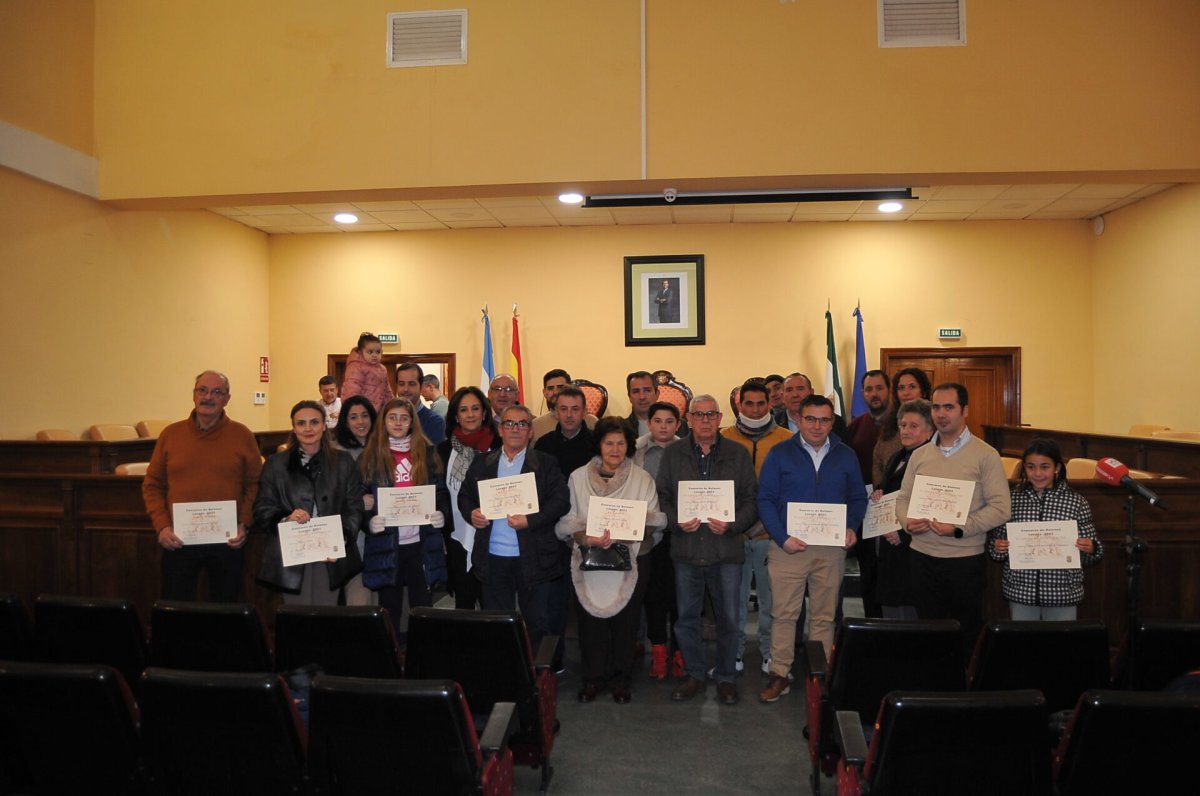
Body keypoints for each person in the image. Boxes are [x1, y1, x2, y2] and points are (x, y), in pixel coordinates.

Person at [757, 395, 866, 703]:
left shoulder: (846, 455)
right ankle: (780, 674)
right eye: (811, 419)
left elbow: (857, 498)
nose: (817, 426)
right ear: (799, 420)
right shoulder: (779, 454)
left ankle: (821, 677)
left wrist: (852, 527)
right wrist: (781, 537)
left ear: (833, 422)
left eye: (824, 420)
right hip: (788, 547)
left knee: (824, 615)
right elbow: (765, 499)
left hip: (831, 548)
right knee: (784, 614)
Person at [895, 383, 1011, 657]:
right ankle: (933, 687)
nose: (941, 414)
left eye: (949, 407)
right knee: (928, 629)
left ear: (965, 410)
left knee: (965, 631)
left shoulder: (986, 455)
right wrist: (907, 522)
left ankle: (961, 692)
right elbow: (903, 499)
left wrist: (960, 528)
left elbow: (1001, 508)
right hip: (922, 557)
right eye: (936, 407)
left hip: (965, 560)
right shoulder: (920, 454)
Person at [656, 394, 758, 705]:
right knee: (686, 618)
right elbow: (661, 497)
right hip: (686, 550)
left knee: (728, 618)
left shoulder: (738, 454)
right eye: (698, 414)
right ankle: (695, 674)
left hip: (725, 550)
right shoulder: (673, 454)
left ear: (720, 417)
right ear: (688, 418)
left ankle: (726, 677)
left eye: (710, 414)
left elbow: (752, 501)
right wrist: (675, 521)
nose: (704, 420)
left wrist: (733, 524)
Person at [556, 417, 666, 704]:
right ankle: (592, 679)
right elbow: (567, 519)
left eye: (621, 443)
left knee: (626, 623)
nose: (615, 449)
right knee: (590, 623)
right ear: (599, 445)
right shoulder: (578, 477)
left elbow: (654, 520)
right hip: (589, 558)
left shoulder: (643, 478)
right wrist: (586, 537)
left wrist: (628, 531)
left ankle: (621, 679)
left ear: (629, 445)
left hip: (632, 559)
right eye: (609, 443)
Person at [458, 404, 571, 650]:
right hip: (493, 557)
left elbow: (561, 501)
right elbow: (465, 495)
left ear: (531, 431)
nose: (515, 429)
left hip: (534, 557)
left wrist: (531, 520)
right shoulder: (483, 462)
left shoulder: (545, 463)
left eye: (522, 424)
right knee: (497, 624)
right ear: (500, 430)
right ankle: (506, 675)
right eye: (509, 423)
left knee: (537, 622)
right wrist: (472, 513)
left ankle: (539, 679)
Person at [143, 370, 262, 601]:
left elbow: (255, 485)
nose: (208, 397)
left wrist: (245, 525)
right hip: (178, 540)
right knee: (175, 611)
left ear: (227, 398)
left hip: (228, 541)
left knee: (225, 612)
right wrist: (162, 526)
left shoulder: (243, 435)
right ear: (194, 395)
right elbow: (152, 485)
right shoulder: (170, 434)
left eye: (217, 392)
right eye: (203, 390)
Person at [254, 400, 365, 605]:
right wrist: (285, 517)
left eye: (314, 422)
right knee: (298, 618)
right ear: (294, 428)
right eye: (301, 423)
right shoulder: (275, 464)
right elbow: (262, 508)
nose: (308, 428)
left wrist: (343, 537)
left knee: (326, 615)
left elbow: (354, 506)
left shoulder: (343, 462)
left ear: (324, 425)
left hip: (330, 553)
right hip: (293, 553)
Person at [359, 398, 449, 638]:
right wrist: (368, 520)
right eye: (392, 417)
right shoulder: (371, 455)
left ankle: (424, 656)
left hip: (422, 543)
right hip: (387, 544)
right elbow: (357, 498)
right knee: (390, 607)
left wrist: (442, 513)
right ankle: (393, 658)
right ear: (384, 422)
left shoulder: (427, 452)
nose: (398, 423)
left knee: (423, 606)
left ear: (412, 422)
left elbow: (440, 492)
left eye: (404, 418)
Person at [987, 439, 1103, 620]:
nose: (1037, 473)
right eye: (1031, 467)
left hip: (1063, 592)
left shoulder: (1076, 502)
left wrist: (1090, 547)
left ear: (1057, 468)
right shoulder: (1011, 499)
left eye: (1045, 467)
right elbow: (996, 546)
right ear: (1024, 468)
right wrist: (998, 547)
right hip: (1021, 591)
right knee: (1024, 644)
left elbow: (1095, 553)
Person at [721, 380, 791, 676]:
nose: (754, 409)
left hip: (771, 534)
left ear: (769, 404)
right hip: (733, 533)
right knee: (732, 600)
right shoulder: (724, 437)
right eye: (748, 403)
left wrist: (769, 522)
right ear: (739, 404)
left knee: (771, 601)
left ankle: (769, 652)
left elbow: (789, 487)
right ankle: (732, 652)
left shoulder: (786, 439)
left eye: (760, 403)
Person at [436, 386, 500, 610]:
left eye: (475, 408)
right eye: (464, 410)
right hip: (456, 536)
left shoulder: (500, 447)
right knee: (463, 600)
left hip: (494, 535)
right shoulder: (442, 451)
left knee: (492, 602)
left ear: (485, 413)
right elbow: (439, 492)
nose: (470, 414)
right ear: (455, 415)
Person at [871, 399, 935, 619]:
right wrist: (879, 492)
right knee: (892, 611)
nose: (906, 431)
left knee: (910, 617)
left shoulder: (931, 460)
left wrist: (903, 533)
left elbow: (930, 507)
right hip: (891, 547)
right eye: (903, 425)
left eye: (913, 426)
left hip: (913, 547)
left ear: (929, 431)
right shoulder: (899, 456)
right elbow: (890, 489)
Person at [634, 401, 685, 680]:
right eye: (658, 421)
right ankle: (658, 655)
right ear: (649, 423)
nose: (663, 426)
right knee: (653, 597)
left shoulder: (687, 450)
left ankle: (680, 653)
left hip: (681, 533)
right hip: (648, 536)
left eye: (669, 421)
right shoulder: (636, 451)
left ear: (678, 424)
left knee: (681, 598)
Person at [844, 369, 892, 618]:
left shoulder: (901, 423)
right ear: (862, 393)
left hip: (895, 511)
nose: (874, 394)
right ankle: (872, 621)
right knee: (868, 569)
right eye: (869, 389)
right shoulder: (856, 426)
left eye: (879, 388)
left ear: (888, 391)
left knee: (892, 570)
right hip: (865, 510)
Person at [332, 394, 378, 606]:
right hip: (353, 529)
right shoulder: (335, 452)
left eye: (365, 415)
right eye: (353, 417)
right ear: (345, 421)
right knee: (358, 586)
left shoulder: (383, 446)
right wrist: (360, 501)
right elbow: (331, 493)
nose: (360, 422)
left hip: (381, 526)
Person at [871, 367, 933, 488]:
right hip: (887, 497)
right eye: (901, 388)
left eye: (912, 387)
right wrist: (880, 490)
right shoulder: (889, 424)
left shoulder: (935, 422)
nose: (906, 393)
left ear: (923, 392)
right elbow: (878, 462)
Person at [531, 368, 599, 441]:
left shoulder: (592, 422)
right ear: (544, 392)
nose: (555, 392)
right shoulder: (535, 425)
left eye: (560, 387)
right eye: (550, 388)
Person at [625, 370, 688, 438]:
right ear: (629, 397)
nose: (642, 397)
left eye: (647, 390)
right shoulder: (622, 428)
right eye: (636, 391)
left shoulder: (679, 425)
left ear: (657, 394)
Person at [340, 332, 392, 412]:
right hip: (361, 411)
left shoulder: (382, 369)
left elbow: (387, 391)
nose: (374, 355)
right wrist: (355, 411)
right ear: (361, 353)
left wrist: (391, 406)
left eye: (378, 352)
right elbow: (352, 390)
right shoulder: (356, 367)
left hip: (378, 411)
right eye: (370, 352)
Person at [395, 363, 446, 443]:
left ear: (421, 386)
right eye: (401, 384)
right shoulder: (389, 420)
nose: (405, 389)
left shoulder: (434, 422)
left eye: (411, 384)